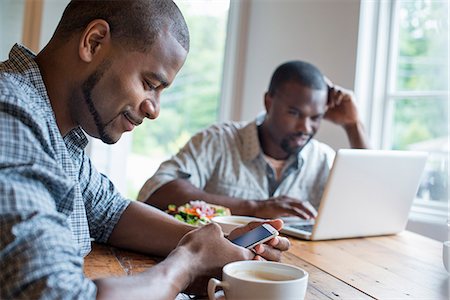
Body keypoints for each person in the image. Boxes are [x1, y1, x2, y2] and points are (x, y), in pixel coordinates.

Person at [0, 1, 290, 299]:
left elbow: (110, 212)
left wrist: (216, 242)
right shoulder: (9, 113)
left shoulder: (56, 129)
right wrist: (188, 264)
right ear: (94, 42)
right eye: (149, 83)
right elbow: (55, 294)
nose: (154, 110)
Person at [138, 60, 370, 219]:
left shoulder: (323, 159)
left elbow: (370, 206)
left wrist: (353, 125)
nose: (305, 128)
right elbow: (155, 193)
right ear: (269, 102)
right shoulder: (218, 141)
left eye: (316, 117)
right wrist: (253, 208)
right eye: (295, 113)